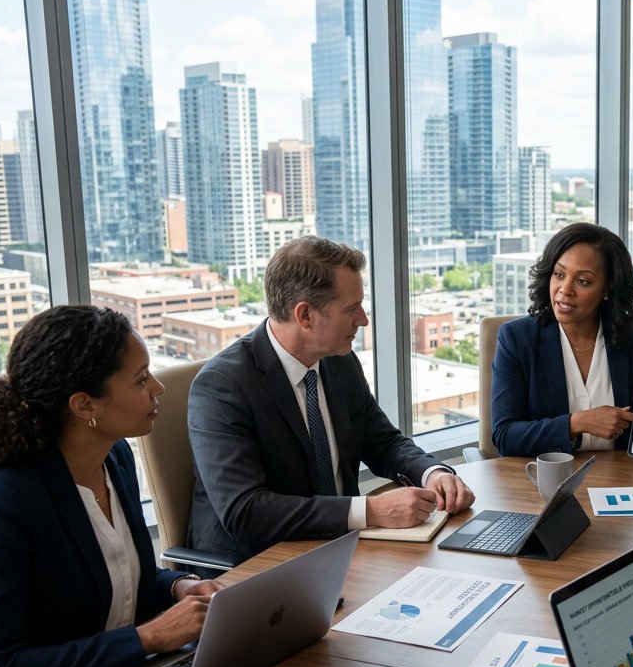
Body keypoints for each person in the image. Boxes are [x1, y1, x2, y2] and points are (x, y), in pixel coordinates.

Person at [0, 307, 218, 667]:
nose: (158, 388)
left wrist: (177, 586)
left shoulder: (115, 457)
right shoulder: (2, 501)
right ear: (84, 403)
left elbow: (119, 581)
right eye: (141, 379)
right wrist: (147, 638)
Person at [188, 236, 475, 564]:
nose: (364, 320)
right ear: (305, 316)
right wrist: (369, 510)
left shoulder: (338, 360)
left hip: (342, 551)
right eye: (351, 309)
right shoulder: (222, 387)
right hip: (258, 566)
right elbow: (246, 511)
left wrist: (433, 474)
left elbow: (384, 443)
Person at [491, 222, 633, 458]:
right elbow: (505, 436)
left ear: (607, 289)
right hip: (548, 479)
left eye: (583, 281)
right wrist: (577, 423)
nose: (565, 289)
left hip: (624, 479)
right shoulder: (517, 338)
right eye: (559, 274)